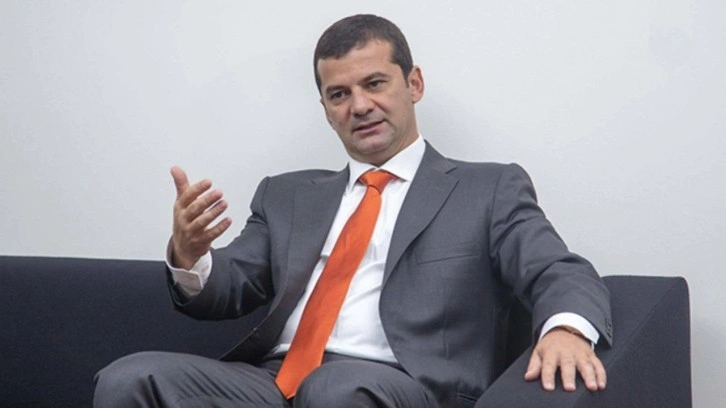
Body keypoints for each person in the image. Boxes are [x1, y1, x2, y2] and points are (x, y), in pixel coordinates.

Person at [94, 14, 612, 408]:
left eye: (374, 84)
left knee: (336, 387)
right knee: (129, 378)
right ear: (326, 111)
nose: (358, 105)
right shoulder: (287, 194)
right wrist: (190, 254)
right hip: (273, 383)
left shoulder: (487, 188)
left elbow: (557, 269)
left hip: (404, 384)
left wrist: (566, 330)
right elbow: (232, 286)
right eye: (338, 94)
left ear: (414, 84)